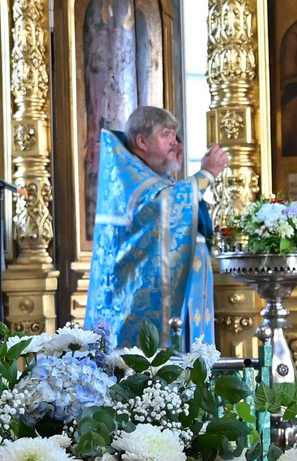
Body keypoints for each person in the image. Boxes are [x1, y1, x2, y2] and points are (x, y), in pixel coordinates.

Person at [87, 105, 227, 351]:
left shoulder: (149, 176)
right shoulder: (127, 176)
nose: (175, 142)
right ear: (142, 141)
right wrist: (206, 174)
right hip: (132, 305)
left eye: (175, 135)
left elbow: (174, 208)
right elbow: (162, 206)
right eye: (166, 135)